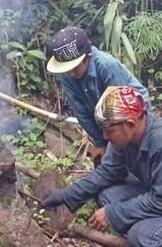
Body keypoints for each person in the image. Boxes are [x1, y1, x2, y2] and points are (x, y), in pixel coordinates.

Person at [42, 86, 162, 247]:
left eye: (109, 130)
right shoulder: (123, 138)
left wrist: (113, 214)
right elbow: (108, 172)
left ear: (130, 124)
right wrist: (67, 195)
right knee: (108, 196)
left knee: (142, 235)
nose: (104, 135)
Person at [46, 26, 149, 162]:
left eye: (75, 68)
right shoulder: (67, 76)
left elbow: (121, 110)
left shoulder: (106, 65)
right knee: (105, 161)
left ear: (87, 58)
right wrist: (100, 142)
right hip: (103, 118)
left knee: (135, 155)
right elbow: (81, 112)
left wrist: (114, 147)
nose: (71, 73)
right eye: (67, 70)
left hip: (133, 112)